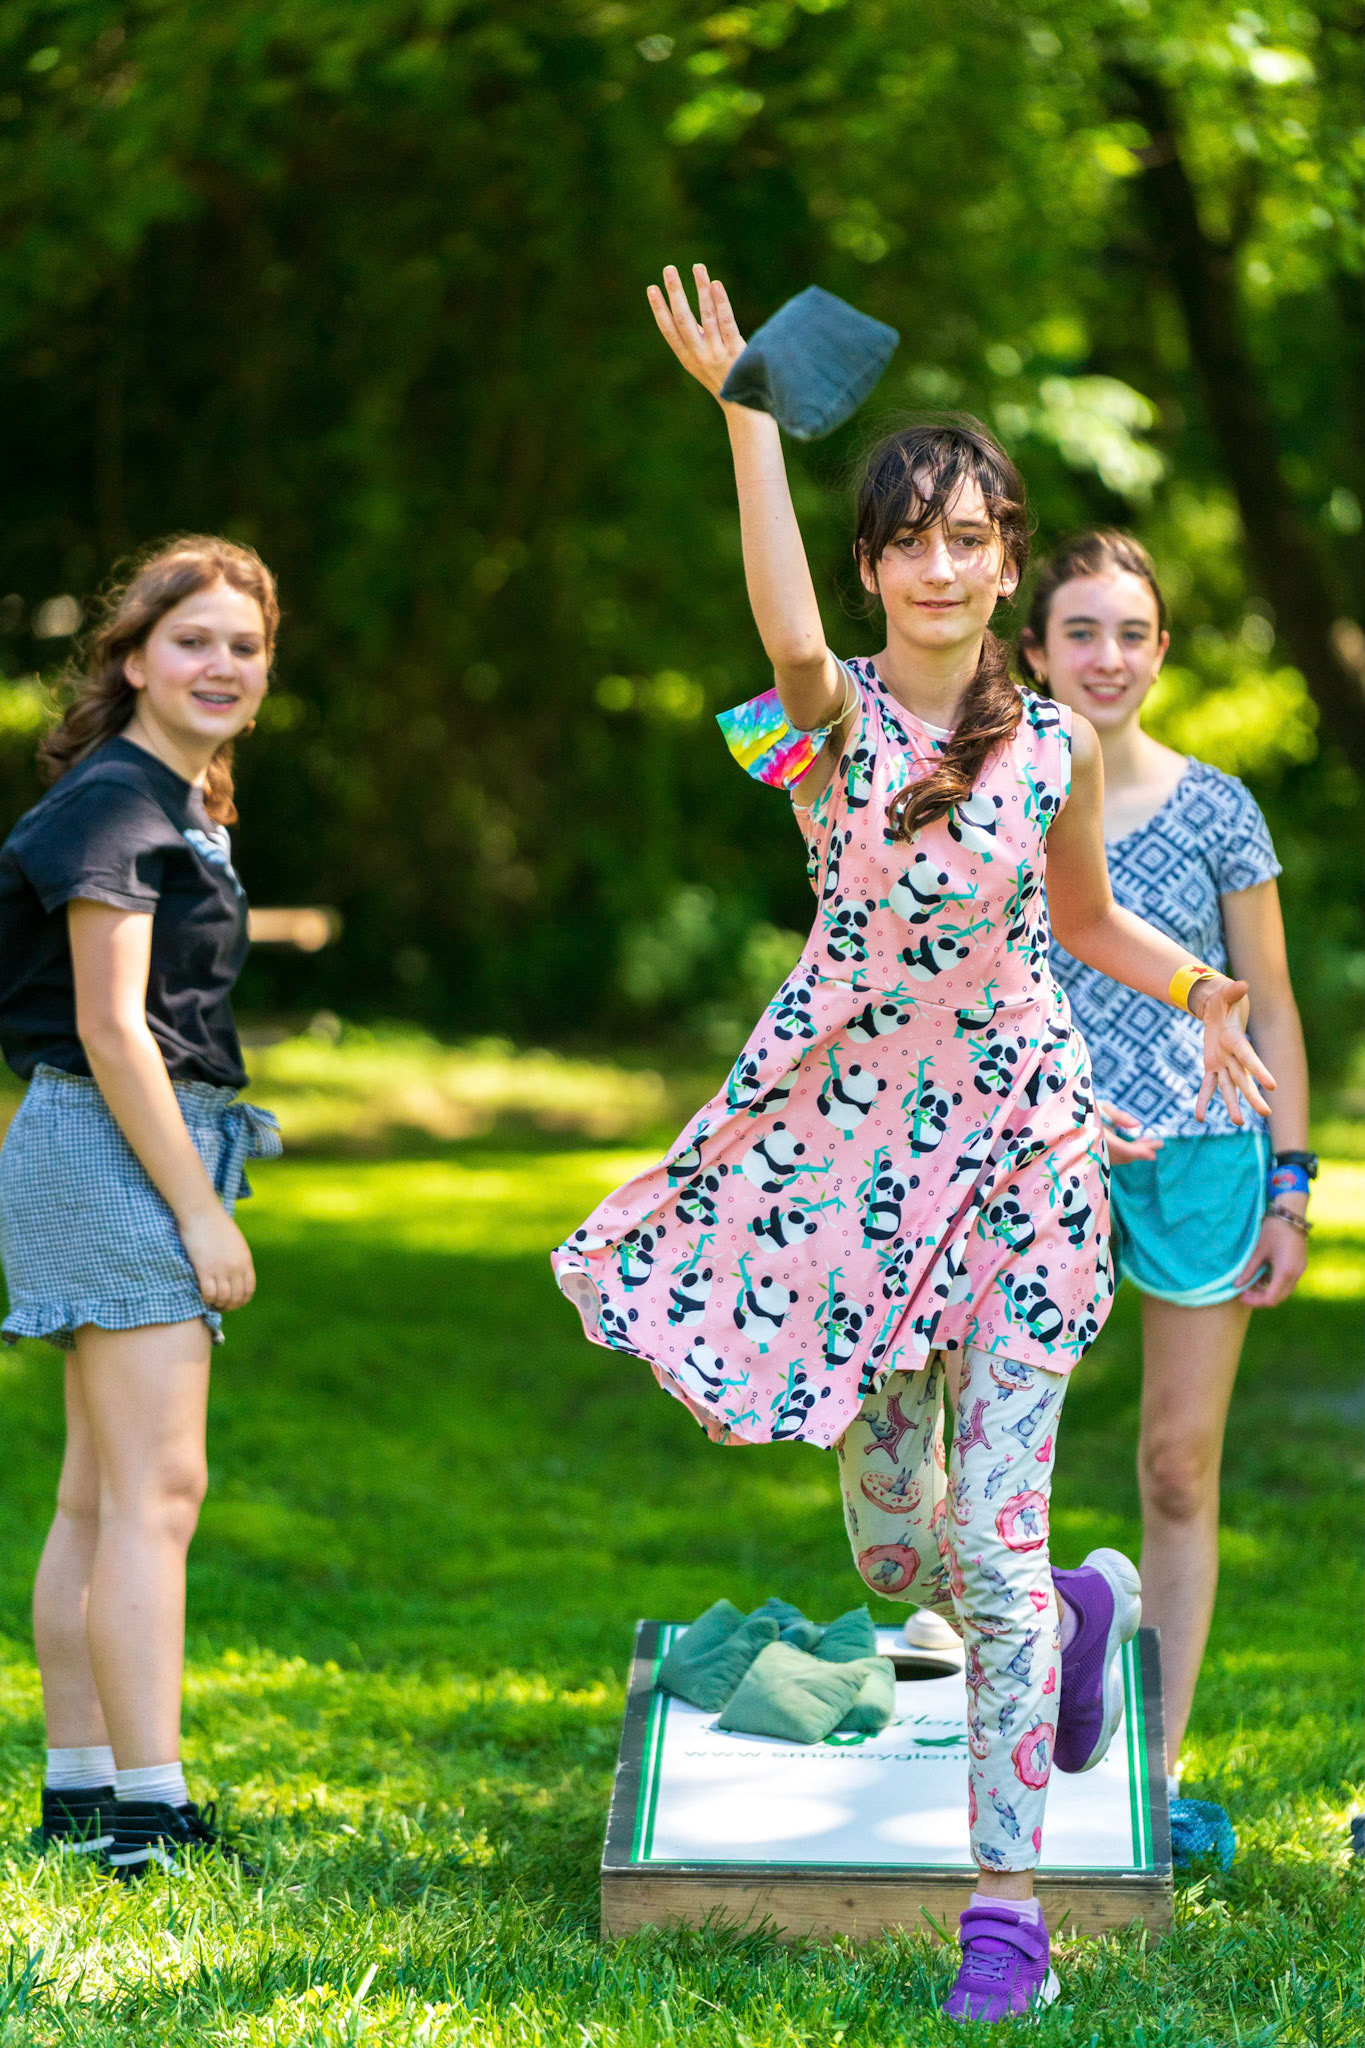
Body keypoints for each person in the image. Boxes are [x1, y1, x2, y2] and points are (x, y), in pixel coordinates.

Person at [552, 266, 1276, 2023]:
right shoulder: (816, 724)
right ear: (875, 564)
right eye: (910, 541)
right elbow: (780, 625)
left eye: (972, 537)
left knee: (995, 1550)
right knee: (900, 1548)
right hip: (848, 1162)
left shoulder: (1054, 749)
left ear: (1007, 562)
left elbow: (1088, 920)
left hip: (1026, 1157)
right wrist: (744, 415)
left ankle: (1004, 1903)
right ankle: (1096, 1613)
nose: (942, 566)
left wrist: (1203, 997)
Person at [1018, 530, 1310, 1864]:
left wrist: (1292, 1190)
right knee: (993, 1470)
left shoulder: (1217, 809)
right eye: (1078, 631)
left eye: (1129, 632)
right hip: (1042, 1156)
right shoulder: (1001, 795)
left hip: (1205, 1157)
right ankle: (1020, 1739)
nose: (1105, 657)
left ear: (1161, 650)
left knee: (1174, 1470)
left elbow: (1273, 1005)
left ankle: (1152, 1772)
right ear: (1032, 651)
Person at [0, 537, 283, 1879]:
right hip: (114, 1144)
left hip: (94, 1141)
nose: (222, 664)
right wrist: (202, 1214)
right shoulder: (119, 802)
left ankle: (83, 1790)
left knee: (100, 1497)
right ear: (133, 661)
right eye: (194, 641)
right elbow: (116, 1032)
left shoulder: (170, 795)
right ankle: (148, 1816)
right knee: (158, 1495)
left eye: (244, 645)